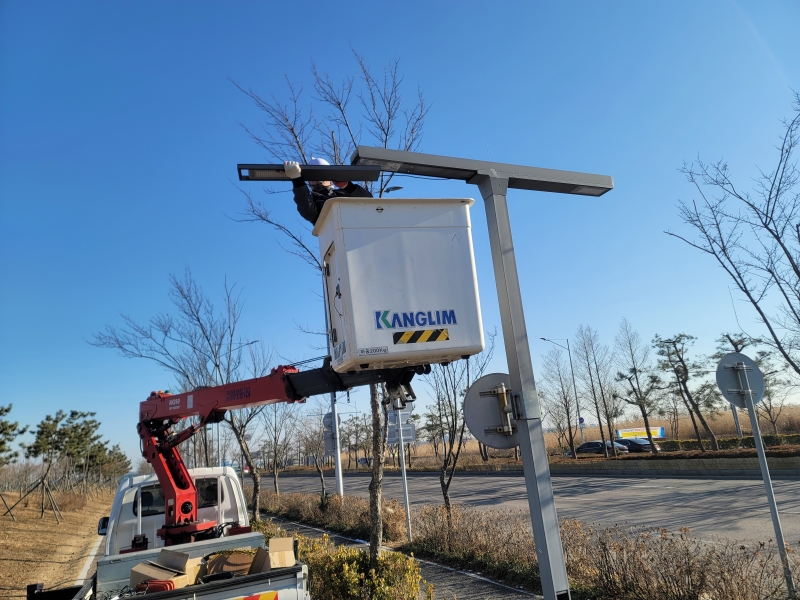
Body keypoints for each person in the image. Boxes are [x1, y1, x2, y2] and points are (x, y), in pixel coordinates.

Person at [285, 157, 372, 225]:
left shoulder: (343, 193)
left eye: (320, 175)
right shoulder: (314, 200)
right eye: (312, 177)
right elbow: (308, 211)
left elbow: (370, 203)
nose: (315, 180)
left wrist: (348, 186)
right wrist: (297, 180)